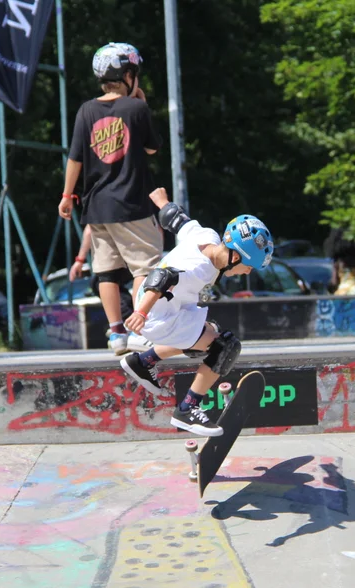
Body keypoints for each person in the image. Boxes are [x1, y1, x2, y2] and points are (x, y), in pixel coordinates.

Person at [120, 187, 273, 437]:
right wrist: (141, 313)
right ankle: (187, 409)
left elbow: (177, 220)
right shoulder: (198, 269)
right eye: (248, 266)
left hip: (171, 308)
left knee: (208, 331)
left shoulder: (208, 236)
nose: (248, 272)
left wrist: (162, 201)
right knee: (225, 348)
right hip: (159, 316)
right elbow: (162, 277)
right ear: (235, 256)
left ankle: (142, 361)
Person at [58, 42, 162, 355]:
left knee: (105, 271)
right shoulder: (137, 109)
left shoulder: (86, 110)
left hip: (96, 206)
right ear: (129, 75)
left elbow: (75, 158)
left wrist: (66, 196)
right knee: (145, 266)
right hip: (131, 203)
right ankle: (141, 329)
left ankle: (116, 332)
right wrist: (141, 102)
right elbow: (151, 149)